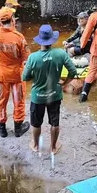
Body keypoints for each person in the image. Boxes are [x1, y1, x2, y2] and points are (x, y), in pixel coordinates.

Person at [22, 24, 77, 154]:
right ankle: (53, 147)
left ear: (40, 40)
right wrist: (64, 83)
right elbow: (73, 71)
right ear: (52, 39)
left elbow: (25, 77)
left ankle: (35, 145)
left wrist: (32, 69)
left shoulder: (33, 57)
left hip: (38, 96)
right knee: (54, 121)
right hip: (54, 94)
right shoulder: (60, 54)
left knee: (36, 123)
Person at [0, 7, 30, 138]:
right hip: (17, 75)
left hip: (1, 75)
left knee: (1, 100)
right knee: (19, 101)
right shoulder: (18, 37)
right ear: (12, 20)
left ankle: (2, 128)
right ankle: (18, 128)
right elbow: (26, 58)